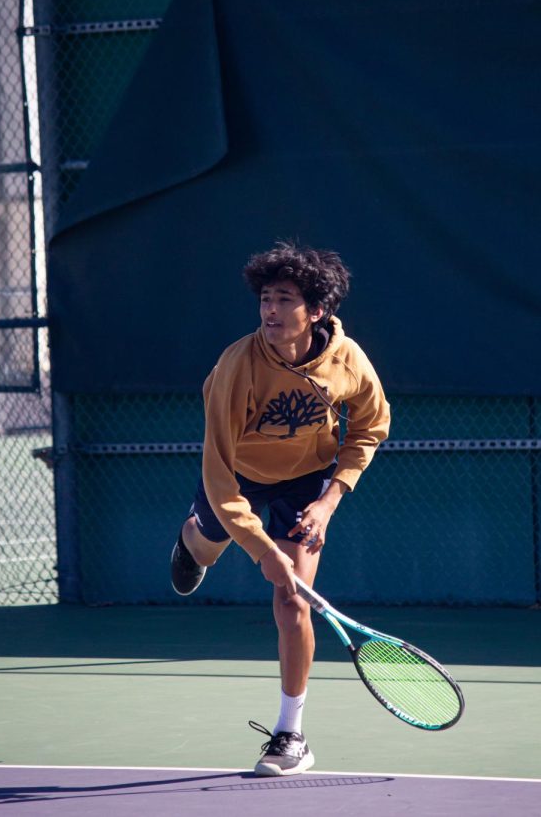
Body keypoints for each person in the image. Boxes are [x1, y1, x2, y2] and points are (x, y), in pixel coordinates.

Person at [170, 241, 390, 776]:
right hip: (238, 476)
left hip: (304, 483)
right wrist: (262, 548)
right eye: (265, 298)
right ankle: (193, 540)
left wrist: (327, 503)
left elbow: (369, 429)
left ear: (317, 311)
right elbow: (219, 473)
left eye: (284, 299)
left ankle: (290, 733)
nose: (270, 310)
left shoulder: (348, 360)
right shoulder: (235, 366)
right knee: (207, 544)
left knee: (292, 601)